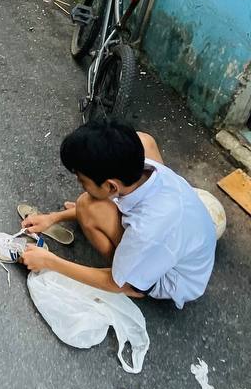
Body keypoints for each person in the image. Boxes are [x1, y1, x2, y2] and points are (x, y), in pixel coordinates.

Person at [16, 121, 217, 308]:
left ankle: (132, 278)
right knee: (145, 140)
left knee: (88, 207)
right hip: (180, 243)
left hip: (170, 276)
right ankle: (127, 264)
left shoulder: (147, 229)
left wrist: (49, 261)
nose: (80, 184)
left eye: (82, 180)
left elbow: (114, 284)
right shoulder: (143, 166)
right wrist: (53, 217)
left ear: (112, 186)